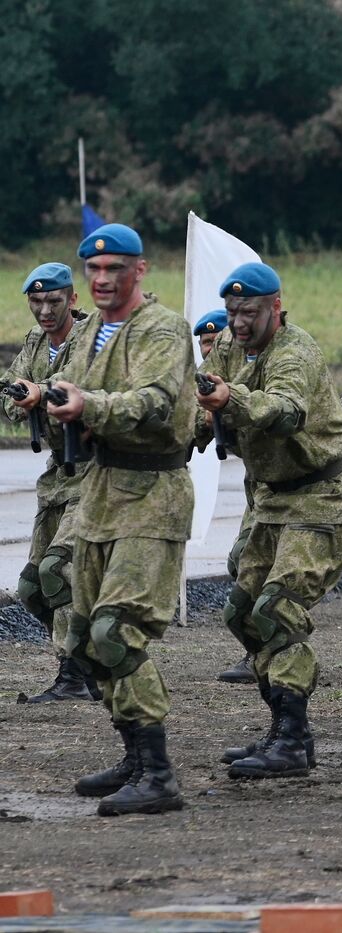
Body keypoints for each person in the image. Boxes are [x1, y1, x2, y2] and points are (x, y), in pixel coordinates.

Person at [13, 223, 196, 815]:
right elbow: (80, 395)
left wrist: (87, 404)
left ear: (139, 271)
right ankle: (134, 755)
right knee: (81, 634)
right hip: (96, 490)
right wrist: (50, 401)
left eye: (114, 269)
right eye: (93, 270)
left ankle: (159, 771)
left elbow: (155, 401)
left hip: (150, 493)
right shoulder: (91, 333)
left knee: (117, 629)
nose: (101, 279)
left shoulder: (163, 328)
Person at [197, 262, 342, 776]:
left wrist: (232, 397)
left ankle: (295, 740)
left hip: (320, 499)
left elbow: (286, 410)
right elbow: (205, 409)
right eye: (231, 312)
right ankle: (280, 726)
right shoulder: (231, 343)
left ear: (276, 306)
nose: (238, 322)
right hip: (272, 502)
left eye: (248, 311)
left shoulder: (295, 351)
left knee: (277, 610)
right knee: (242, 612)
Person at [3, 262, 98, 703]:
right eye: (36, 301)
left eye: (53, 301)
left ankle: (74, 675)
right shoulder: (35, 344)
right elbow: (11, 392)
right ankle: (89, 658)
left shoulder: (93, 339)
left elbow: (80, 384)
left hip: (95, 473)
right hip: (58, 475)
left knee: (57, 568)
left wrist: (40, 392)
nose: (44, 309)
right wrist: (21, 402)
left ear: (72, 299)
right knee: (31, 587)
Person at [194, 307, 258, 686]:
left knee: (246, 562)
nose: (210, 349)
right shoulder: (207, 388)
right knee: (241, 563)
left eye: (216, 342)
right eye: (204, 344)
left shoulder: (245, 380)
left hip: (290, 487)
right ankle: (261, 649)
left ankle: (266, 649)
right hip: (260, 486)